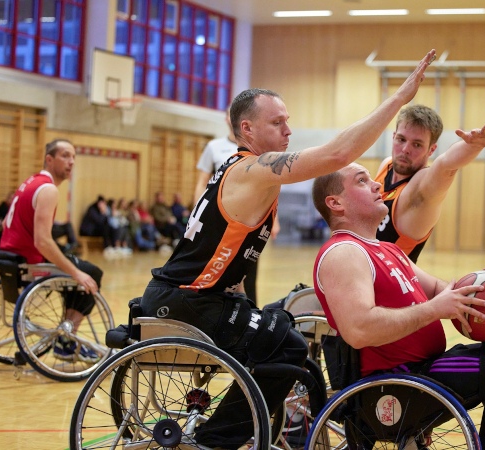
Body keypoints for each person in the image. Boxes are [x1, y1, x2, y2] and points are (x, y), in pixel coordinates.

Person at [139, 49, 437, 447]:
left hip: (198, 297)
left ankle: (274, 423)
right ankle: (215, 440)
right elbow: (337, 155)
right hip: (186, 300)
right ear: (247, 128)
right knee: (287, 345)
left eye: (287, 121)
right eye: (277, 122)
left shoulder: (251, 176)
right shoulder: (251, 169)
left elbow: (228, 257)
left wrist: (242, 300)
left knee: (283, 321)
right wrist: (400, 97)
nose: (288, 131)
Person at [311, 162, 485, 450]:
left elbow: (435, 288)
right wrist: (435, 309)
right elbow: (359, 329)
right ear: (336, 203)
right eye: (361, 181)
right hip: (395, 383)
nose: (376, 185)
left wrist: (474, 290)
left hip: (421, 371)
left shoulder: (387, 248)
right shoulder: (343, 252)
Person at [0, 139, 104, 363]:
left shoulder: (30, 182)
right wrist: (76, 273)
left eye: (73, 157)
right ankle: (66, 341)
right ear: (49, 159)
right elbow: (42, 242)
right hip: (31, 262)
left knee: (76, 266)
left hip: (10, 256)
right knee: (91, 274)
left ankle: (66, 335)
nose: (71, 162)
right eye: (65, 156)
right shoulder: (48, 190)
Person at [374, 104, 485, 263]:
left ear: (431, 150)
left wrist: (473, 146)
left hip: (387, 278)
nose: (405, 149)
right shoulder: (387, 165)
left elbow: (446, 165)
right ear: (394, 136)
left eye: (417, 144)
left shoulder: (422, 187)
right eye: (401, 139)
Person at [192, 105, 280, 302]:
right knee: (217, 267)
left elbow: (269, 189)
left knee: (248, 268)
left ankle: (249, 310)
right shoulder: (214, 147)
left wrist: (275, 219)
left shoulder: (256, 150)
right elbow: (202, 183)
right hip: (219, 217)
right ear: (226, 119)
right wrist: (198, 214)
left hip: (250, 220)